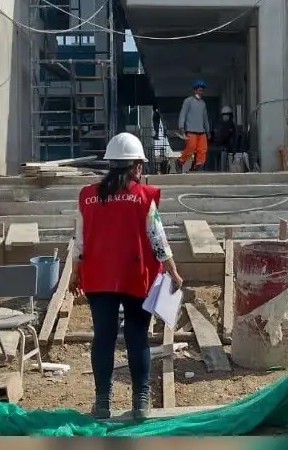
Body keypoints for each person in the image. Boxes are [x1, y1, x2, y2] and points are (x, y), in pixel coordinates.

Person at [69, 132, 184, 420]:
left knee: (104, 338)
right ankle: (140, 402)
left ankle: (102, 402)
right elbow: (158, 239)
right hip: (137, 277)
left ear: (110, 164)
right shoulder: (144, 197)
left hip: (99, 278)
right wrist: (172, 271)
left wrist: (74, 273)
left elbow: (79, 241)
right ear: (136, 167)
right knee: (137, 337)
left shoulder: (88, 196)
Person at [176, 79, 211, 173]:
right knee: (191, 147)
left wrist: (208, 131)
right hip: (191, 130)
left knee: (203, 149)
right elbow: (183, 114)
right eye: (199, 90)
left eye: (202, 90)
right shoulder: (188, 101)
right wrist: (181, 127)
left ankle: (198, 165)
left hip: (202, 131)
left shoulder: (203, 103)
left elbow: (205, 118)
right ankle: (180, 161)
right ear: (195, 90)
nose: (201, 92)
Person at [213, 105, 237, 170]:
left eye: (227, 115)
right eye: (224, 115)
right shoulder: (220, 125)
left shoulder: (231, 125)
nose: (225, 116)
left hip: (229, 148)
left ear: (230, 116)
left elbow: (232, 138)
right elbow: (218, 138)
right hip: (221, 147)